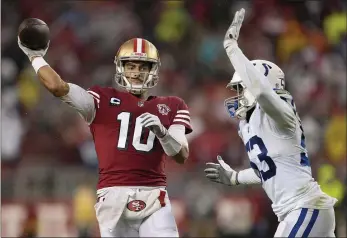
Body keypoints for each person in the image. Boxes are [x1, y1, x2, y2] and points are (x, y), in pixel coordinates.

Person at [18, 37, 192, 237]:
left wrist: (162, 133)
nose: (136, 72)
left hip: (154, 195)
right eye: (131, 66)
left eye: (143, 67)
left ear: (153, 70)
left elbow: (181, 155)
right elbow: (58, 87)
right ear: (120, 68)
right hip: (112, 197)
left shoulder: (173, 105)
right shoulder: (101, 98)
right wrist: (35, 56)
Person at [204, 9, 337, 237]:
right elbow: (266, 170)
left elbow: (264, 93)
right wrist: (236, 177)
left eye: (241, 88)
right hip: (292, 213)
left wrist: (232, 50)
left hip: (305, 207)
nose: (237, 96)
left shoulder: (281, 112)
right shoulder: (249, 124)